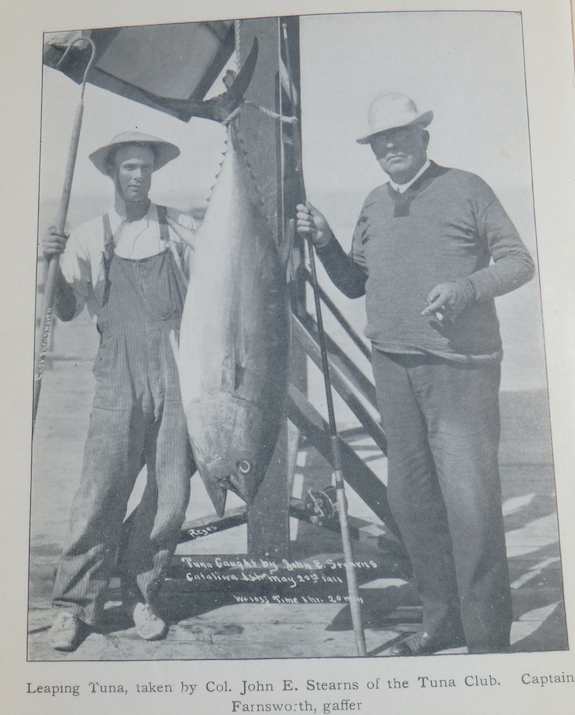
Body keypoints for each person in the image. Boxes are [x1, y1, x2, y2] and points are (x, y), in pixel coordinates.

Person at [297, 93, 535, 656]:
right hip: (393, 369)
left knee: (471, 506)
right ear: (374, 150)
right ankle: (442, 617)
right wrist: (326, 241)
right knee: (411, 502)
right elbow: (356, 284)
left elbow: (519, 262)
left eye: (401, 135)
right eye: (382, 140)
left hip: (460, 372)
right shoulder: (374, 205)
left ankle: (487, 644)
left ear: (424, 137)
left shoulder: (468, 188)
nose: (392, 146)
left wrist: (465, 288)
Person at [44, 131, 197, 651]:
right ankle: (72, 605)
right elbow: (64, 309)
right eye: (129, 167)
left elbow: (214, 293)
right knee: (100, 491)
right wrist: (49, 266)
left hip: (179, 371)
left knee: (172, 493)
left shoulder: (179, 229)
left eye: (145, 168)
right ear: (112, 173)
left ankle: (141, 593)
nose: (138, 176)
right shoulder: (90, 236)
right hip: (117, 373)